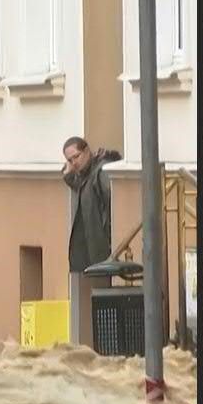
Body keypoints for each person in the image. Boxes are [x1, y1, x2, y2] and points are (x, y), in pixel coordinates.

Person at [63, 136, 123, 343]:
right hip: (94, 253)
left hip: (104, 250)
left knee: (108, 304)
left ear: (87, 150)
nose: (74, 163)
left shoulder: (102, 172)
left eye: (77, 157)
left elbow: (112, 202)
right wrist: (68, 173)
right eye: (69, 160)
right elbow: (76, 183)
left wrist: (110, 238)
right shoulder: (85, 175)